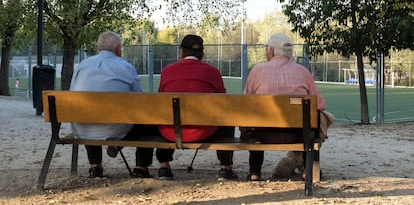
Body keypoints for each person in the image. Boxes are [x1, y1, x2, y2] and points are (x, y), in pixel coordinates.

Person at [242, 33, 327, 181]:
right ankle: (309, 170)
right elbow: (319, 104)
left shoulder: (257, 71)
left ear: (271, 51)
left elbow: (246, 103)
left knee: (253, 119)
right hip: (297, 133)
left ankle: (255, 172)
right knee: (316, 120)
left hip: (263, 133)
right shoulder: (302, 72)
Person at [156, 34, 238, 181]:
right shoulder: (212, 72)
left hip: (171, 132)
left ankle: (164, 166)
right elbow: (223, 101)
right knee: (227, 121)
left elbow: (161, 98)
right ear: (202, 54)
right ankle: (226, 168)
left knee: (162, 116)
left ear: (182, 52)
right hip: (203, 131)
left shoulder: (167, 71)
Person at [70, 31, 148, 178]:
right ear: (118, 49)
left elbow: (73, 93)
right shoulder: (126, 67)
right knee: (147, 117)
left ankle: (95, 166)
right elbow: (140, 100)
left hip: (83, 128)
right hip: (117, 128)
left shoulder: (82, 66)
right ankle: (141, 167)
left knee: (89, 113)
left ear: (99, 48)